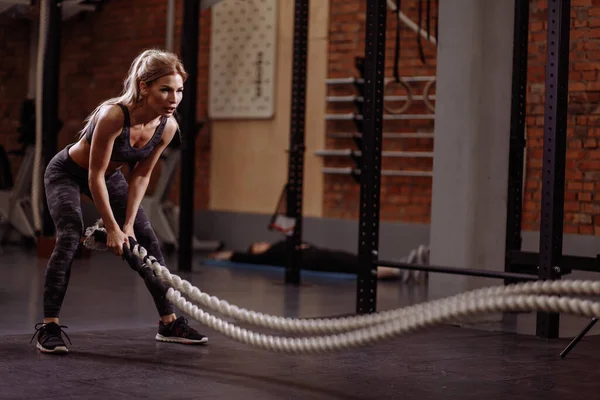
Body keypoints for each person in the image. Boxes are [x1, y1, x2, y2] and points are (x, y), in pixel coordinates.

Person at [31, 49, 207, 354]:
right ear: (144, 86)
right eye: (165, 89)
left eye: (178, 90)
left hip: (111, 177)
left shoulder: (167, 127)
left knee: (147, 239)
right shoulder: (114, 115)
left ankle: (168, 323)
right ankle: (49, 327)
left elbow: (141, 176)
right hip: (68, 173)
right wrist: (112, 228)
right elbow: (93, 174)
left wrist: (127, 225)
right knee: (70, 235)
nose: (174, 98)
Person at [209, 240, 403, 280]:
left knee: (349, 258)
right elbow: (238, 256)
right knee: (349, 265)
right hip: (313, 260)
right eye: (257, 245)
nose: (261, 243)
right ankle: (394, 271)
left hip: (320, 252)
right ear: (255, 251)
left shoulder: (277, 245)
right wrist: (221, 255)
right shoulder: (266, 257)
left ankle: (392, 267)